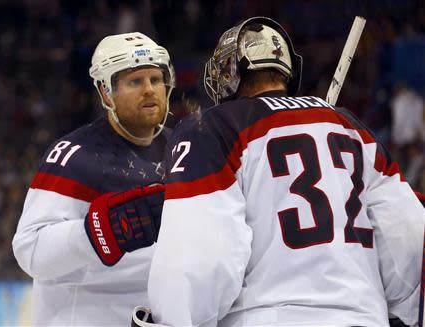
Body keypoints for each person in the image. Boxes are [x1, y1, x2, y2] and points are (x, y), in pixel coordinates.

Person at [143, 17, 425, 326]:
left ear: (231, 72)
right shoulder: (351, 127)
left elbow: (201, 261)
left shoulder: (212, 127)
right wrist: (404, 308)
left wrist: (171, 318)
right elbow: (409, 235)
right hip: (363, 316)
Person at [12, 32, 175, 326]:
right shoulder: (75, 157)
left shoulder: (180, 150)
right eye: (134, 81)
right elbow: (30, 250)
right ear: (105, 93)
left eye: (155, 78)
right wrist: (98, 233)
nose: (150, 89)